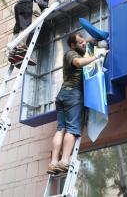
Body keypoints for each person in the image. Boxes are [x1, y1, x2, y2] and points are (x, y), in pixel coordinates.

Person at [47, 33, 102, 174]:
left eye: (84, 41)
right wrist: (96, 57)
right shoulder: (71, 54)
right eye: (80, 42)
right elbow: (78, 62)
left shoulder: (74, 48)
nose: (84, 44)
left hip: (63, 94)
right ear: (72, 45)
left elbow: (84, 42)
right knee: (72, 129)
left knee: (61, 129)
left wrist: (91, 40)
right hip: (73, 94)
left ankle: (53, 162)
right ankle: (64, 160)